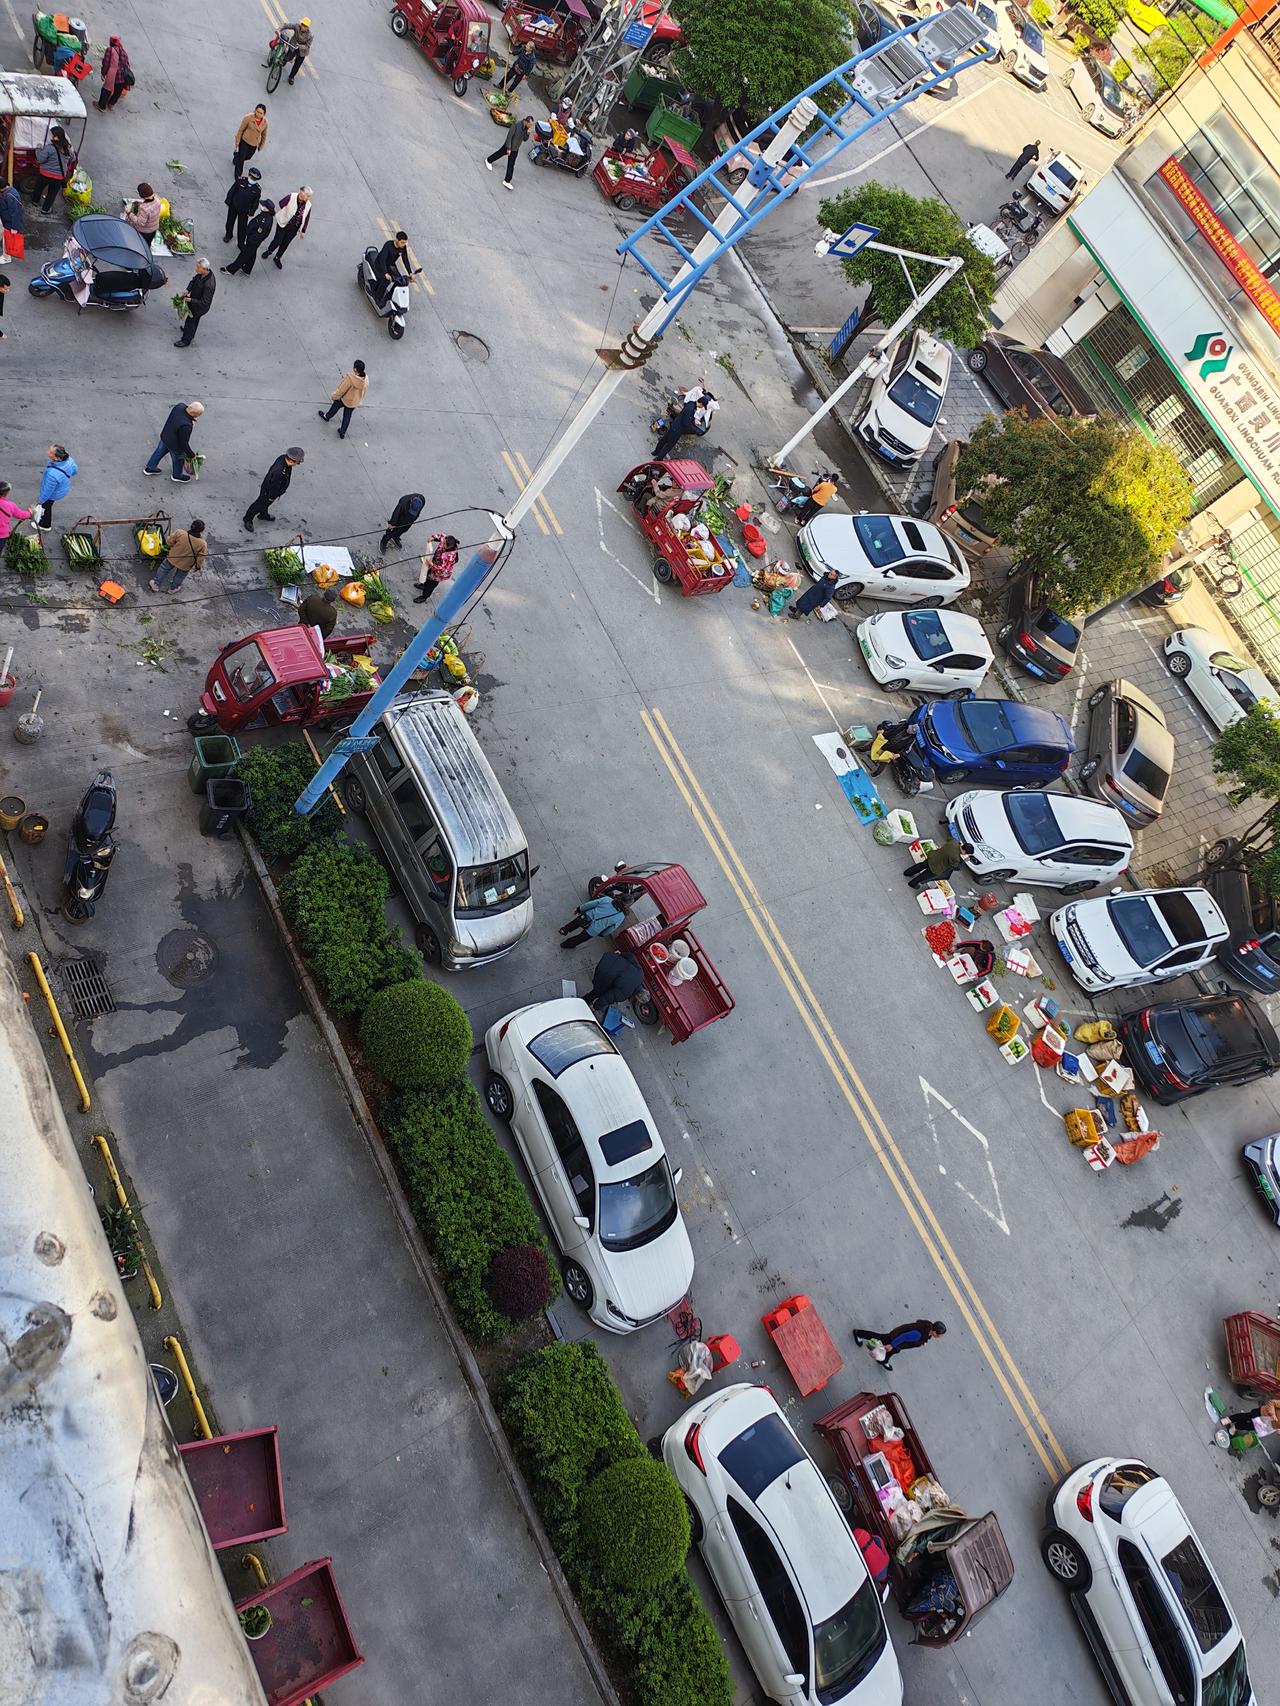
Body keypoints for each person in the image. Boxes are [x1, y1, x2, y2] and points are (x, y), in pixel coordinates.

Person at [243, 446, 304, 531]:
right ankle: (247, 519)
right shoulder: (279, 471)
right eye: (298, 462)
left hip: (271, 489)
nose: (298, 464)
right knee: (259, 504)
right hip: (268, 491)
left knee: (266, 504)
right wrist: (272, 496)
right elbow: (274, 486)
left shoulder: (283, 458)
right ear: (291, 460)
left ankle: (263, 514)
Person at [143, 400, 204, 482]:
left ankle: (150, 468)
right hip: (175, 445)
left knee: (159, 452)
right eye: (197, 415)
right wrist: (191, 455)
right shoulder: (186, 426)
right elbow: (183, 443)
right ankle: (177, 475)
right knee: (178, 460)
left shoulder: (179, 406)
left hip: (165, 436)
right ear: (193, 414)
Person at [851, 1319, 946, 1370]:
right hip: (895, 1338)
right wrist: (892, 1344)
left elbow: (918, 1323)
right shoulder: (918, 1335)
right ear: (935, 1332)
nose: (941, 1337)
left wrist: (922, 1342)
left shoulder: (928, 1326)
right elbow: (904, 1337)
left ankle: (883, 1361)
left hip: (899, 1339)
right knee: (879, 1338)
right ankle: (858, 1333)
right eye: (941, 1335)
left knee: (895, 1350)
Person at [149, 519, 207, 593]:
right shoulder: (202, 544)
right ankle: (173, 589)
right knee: (180, 576)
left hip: (173, 557)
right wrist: (198, 567)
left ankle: (155, 584)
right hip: (186, 564)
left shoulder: (180, 533)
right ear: (201, 531)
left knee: (164, 568)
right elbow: (201, 558)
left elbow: (169, 542)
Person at [262, 188, 312, 269]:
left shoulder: (308, 204)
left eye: (309, 196)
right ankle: (269, 251)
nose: (308, 198)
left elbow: (307, 218)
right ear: (301, 193)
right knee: (277, 240)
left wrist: (303, 231)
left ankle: (277, 257)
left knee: (285, 243)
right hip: (283, 222)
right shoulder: (291, 196)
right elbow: (281, 204)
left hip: (294, 227)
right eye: (307, 196)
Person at [222, 200, 274, 277]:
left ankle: (231, 269)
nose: (261, 205)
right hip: (254, 240)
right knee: (252, 254)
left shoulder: (265, 221)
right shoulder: (265, 215)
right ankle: (247, 269)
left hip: (253, 241)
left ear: (267, 209)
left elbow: (260, 234)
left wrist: (250, 237)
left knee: (243, 255)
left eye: (263, 205)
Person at [585, 949, 645, 1015]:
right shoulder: (624, 994)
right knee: (597, 992)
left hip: (610, 959)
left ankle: (585, 1000)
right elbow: (607, 998)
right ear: (637, 997)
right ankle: (584, 1001)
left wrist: (621, 954)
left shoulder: (641, 974)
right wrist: (595, 1007)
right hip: (604, 972)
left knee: (599, 990)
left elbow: (631, 957)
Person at [319, 360, 368, 439]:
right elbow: (364, 391)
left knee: (335, 405)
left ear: (355, 369)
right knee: (347, 416)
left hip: (345, 399)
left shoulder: (351, 378)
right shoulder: (365, 380)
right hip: (354, 402)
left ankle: (327, 416)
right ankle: (342, 432)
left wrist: (334, 396)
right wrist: (359, 401)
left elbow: (342, 390)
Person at [559, 893, 626, 949]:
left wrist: (579, 909)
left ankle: (564, 930)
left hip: (587, 917)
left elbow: (591, 904)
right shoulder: (621, 916)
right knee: (579, 939)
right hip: (594, 930)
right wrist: (602, 934)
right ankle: (566, 944)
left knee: (575, 923)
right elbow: (611, 929)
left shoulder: (608, 899)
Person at [34, 445, 77, 531]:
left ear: (57, 458)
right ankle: (44, 522)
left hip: (54, 493)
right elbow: (75, 470)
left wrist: (41, 500)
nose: (48, 453)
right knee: (48, 505)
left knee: (46, 506)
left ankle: (45, 525)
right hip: (62, 487)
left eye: (50, 452)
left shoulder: (52, 474)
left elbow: (48, 490)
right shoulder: (69, 460)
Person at [34, 127, 76, 214]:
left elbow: (40, 159)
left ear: (56, 137)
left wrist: (38, 149)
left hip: (45, 174)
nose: (51, 136)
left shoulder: (50, 148)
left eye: (52, 135)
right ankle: (45, 210)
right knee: (52, 194)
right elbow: (73, 158)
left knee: (39, 188)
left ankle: (35, 201)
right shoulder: (67, 148)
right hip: (59, 177)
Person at [484, 116, 534, 190]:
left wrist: (528, 133)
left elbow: (525, 139)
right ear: (526, 121)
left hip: (516, 148)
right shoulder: (516, 125)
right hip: (509, 146)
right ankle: (488, 160)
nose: (531, 126)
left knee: (511, 164)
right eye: (530, 124)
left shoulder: (526, 128)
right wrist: (509, 148)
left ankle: (507, 181)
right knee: (500, 153)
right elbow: (509, 137)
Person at [174, 259, 215, 348]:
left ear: (204, 269)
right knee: (193, 321)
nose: (196, 269)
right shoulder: (201, 275)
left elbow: (205, 302)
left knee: (191, 320)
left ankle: (186, 340)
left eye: (198, 267)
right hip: (195, 302)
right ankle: (190, 332)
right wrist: (187, 290)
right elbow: (193, 281)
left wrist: (191, 300)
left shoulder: (209, 285)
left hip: (199, 307)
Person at [902, 837, 968, 891]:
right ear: (964, 851)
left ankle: (907, 872)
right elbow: (957, 867)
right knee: (923, 876)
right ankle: (912, 883)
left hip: (933, 857)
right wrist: (963, 861)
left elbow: (948, 838)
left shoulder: (954, 842)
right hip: (936, 868)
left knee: (921, 865)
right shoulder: (956, 858)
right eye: (966, 853)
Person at [414, 533, 459, 604]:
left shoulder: (450, 557)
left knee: (430, 585)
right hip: (434, 564)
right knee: (428, 575)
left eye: (444, 544)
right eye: (443, 542)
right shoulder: (445, 540)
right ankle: (424, 585)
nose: (442, 544)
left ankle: (424, 597)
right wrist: (433, 538)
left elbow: (444, 570)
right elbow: (441, 536)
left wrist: (432, 565)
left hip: (439, 574)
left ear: (449, 547)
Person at [652, 393, 699, 461]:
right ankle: (658, 459)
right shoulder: (691, 409)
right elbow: (686, 422)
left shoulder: (690, 403)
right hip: (677, 429)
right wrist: (693, 428)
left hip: (674, 423)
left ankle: (655, 452)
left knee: (664, 439)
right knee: (669, 445)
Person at [223, 166, 262, 247]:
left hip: (244, 211)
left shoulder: (257, 189)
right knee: (230, 222)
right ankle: (228, 235)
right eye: (252, 178)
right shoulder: (240, 180)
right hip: (234, 206)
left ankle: (240, 243)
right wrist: (228, 201)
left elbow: (256, 202)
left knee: (242, 228)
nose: (253, 180)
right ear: (249, 175)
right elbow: (232, 191)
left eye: (255, 179)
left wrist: (252, 212)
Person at [372, 230, 412, 306]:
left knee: (400, 281)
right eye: (402, 242)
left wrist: (410, 273)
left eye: (405, 243)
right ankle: (377, 297)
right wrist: (385, 273)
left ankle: (389, 297)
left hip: (390, 265)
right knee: (386, 280)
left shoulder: (403, 247)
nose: (403, 245)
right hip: (380, 265)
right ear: (397, 240)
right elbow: (382, 260)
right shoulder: (388, 245)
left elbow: (405, 259)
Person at [233, 105, 269, 177]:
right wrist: (237, 141)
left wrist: (261, 145)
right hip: (244, 141)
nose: (258, 114)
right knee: (241, 160)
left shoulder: (265, 123)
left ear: (264, 114)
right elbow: (241, 129)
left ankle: (236, 156)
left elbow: (264, 135)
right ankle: (238, 175)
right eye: (257, 111)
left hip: (254, 144)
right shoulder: (248, 117)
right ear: (255, 110)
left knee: (248, 157)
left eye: (261, 113)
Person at [98, 36, 131, 110]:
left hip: (114, 74)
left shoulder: (110, 50)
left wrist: (103, 73)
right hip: (124, 75)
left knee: (106, 90)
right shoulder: (122, 50)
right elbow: (127, 62)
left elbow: (106, 63)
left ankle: (101, 106)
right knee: (118, 91)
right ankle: (111, 104)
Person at [281, 17, 313, 83]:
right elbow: (288, 25)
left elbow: (307, 46)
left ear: (307, 27)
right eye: (302, 24)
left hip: (302, 51)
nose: (302, 26)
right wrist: (280, 28)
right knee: (288, 57)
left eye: (304, 26)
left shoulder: (310, 35)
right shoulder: (297, 27)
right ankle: (284, 61)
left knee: (297, 65)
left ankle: (291, 77)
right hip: (293, 45)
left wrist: (299, 46)